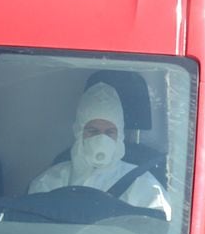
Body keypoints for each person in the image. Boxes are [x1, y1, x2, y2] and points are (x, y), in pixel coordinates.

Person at [29, 82, 172, 218]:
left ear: (119, 136)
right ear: (79, 133)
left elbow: (159, 232)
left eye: (109, 132)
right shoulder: (50, 181)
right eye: (93, 131)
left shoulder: (143, 184)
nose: (101, 139)